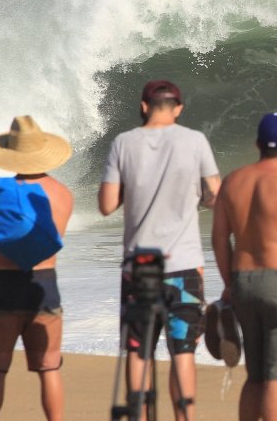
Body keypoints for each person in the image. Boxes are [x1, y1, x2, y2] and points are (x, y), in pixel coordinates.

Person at [98, 80, 221, 421]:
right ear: (178, 108)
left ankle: (136, 414)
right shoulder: (195, 140)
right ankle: (186, 417)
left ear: (143, 105)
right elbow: (215, 195)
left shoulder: (124, 143)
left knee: (139, 350)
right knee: (183, 353)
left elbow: (107, 204)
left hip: (139, 267)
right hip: (184, 269)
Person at [212, 112, 277, 421]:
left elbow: (219, 240)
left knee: (255, 374)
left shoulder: (233, 182)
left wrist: (230, 284)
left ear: (258, 144)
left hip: (243, 282)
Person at [0, 116, 74, 421]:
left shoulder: (0, 190)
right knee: (49, 368)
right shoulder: (63, 194)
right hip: (44, 285)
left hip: (5, 285)